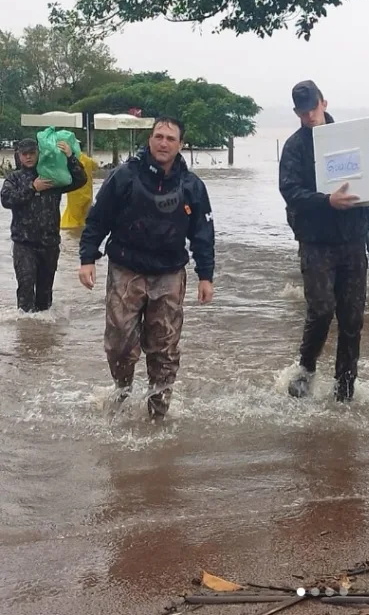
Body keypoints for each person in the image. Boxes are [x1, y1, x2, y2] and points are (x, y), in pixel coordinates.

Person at [78, 117, 215, 419]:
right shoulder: (124, 176)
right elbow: (98, 219)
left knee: (164, 348)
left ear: (181, 144)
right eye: (158, 136)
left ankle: (158, 413)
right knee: (119, 345)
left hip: (169, 272)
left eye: (170, 138)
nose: (163, 143)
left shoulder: (192, 186)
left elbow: (203, 234)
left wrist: (206, 276)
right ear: (150, 139)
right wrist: (87, 258)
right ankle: (122, 390)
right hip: (126, 269)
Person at [279, 81, 367, 403]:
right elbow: (289, 191)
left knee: (352, 316)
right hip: (316, 241)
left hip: (353, 240)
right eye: (303, 113)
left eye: (313, 109)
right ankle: (305, 370)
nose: (309, 117)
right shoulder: (294, 147)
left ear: (324, 103)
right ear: (296, 112)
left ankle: (346, 387)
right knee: (321, 308)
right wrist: (325, 201)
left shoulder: (349, 138)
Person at [1, 137, 87, 312]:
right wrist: (33, 188)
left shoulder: (52, 176)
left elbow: (80, 180)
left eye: (32, 153)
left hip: (49, 244)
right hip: (24, 244)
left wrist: (70, 156)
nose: (28, 157)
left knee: (44, 296)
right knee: (25, 290)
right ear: (18, 155)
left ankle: (43, 334)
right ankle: (25, 334)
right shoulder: (14, 178)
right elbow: (7, 200)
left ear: (39, 153)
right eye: (24, 154)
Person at [61, 145, 99, 229]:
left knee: (73, 222)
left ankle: (72, 238)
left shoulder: (70, 161)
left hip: (75, 197)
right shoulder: (88, 160)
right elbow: (96, 166)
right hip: (88, 196)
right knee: (84, 221)